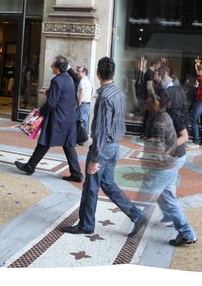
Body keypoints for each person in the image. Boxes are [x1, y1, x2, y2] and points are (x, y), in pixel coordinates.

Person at [60, 56, 146, 237]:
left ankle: (86, 224)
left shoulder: (104, 97)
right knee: (107, 184)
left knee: (91, 186)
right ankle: (136, 215)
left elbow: (100, 129)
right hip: (115, 145)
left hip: (103, 147)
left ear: (98, 73)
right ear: (113, 73)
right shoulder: (120, 94)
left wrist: (95, 158)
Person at [138, 88, 196, 246]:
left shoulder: (171, 116)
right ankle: (182, 228)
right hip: (168, 158)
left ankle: (138, 217)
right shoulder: (162, 114)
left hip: (173, 157)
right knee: (167, 195)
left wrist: (168, 146)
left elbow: (184, 137)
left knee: (155, 193)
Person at [15, 56, 83, 181]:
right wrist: (67, 68)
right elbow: (76, 78)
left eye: (52, 66)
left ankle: (30, 167)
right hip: (69, 119)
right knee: (68, 147)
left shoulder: (57, 81)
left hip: (57, 119)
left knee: (44, 142)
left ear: (57, 68)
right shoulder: (71, 80)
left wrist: (41, 111)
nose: (51, 68)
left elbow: (51, 103)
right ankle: (77, 174)